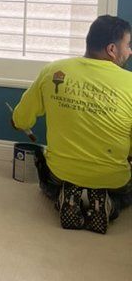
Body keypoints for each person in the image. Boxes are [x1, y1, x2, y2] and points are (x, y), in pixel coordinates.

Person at [12, 14, 132, 233]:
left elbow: (21, 119)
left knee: (48, 178)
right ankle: (109, 204)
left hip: (60, 174)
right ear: (112, 49)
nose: (130, 51)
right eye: (128, 45)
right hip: (112, 180)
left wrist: (18, 121)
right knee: (125, 191)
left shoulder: (52, 71)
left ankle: (64, 195)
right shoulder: (130, 83)